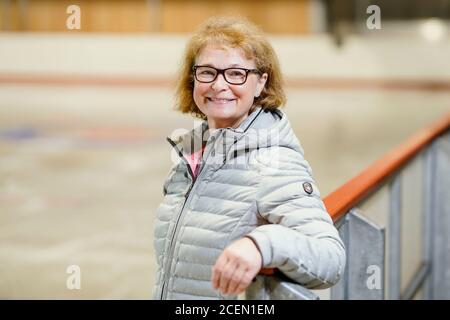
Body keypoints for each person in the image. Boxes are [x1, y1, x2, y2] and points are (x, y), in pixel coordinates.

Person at [153, 16, 346, 300]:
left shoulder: (274, 161)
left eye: (236, 73)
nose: (219, 85)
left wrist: (260, 244)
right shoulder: (193, 155)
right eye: (207, 72)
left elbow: (330, 259)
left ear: (260, 83)